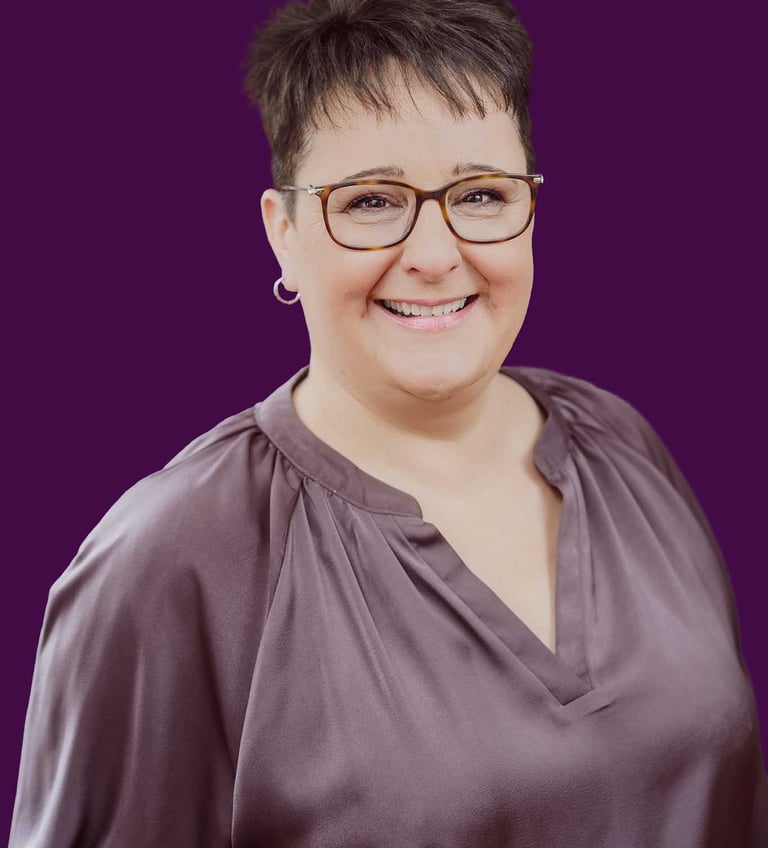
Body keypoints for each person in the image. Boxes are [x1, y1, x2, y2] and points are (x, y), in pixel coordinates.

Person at [10, 0, 768, 844]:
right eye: (372, 202)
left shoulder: (621, 443)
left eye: (480, 193)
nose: (437, 254)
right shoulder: (170, 557)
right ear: (284, 232)